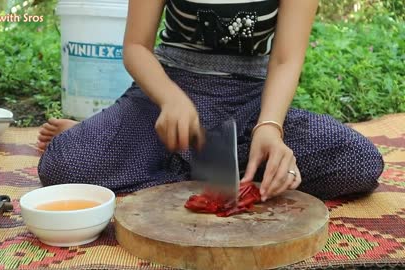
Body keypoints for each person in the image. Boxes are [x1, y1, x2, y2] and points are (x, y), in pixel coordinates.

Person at [37, 0, 384, 201]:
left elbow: (285, 60)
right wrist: (171, 99)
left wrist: (270, 128)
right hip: (166, 95)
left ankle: (168, 159)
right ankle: (224, 170)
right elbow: (136, 47)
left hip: (250, 101)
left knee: (359, 162)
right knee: (65, 166)